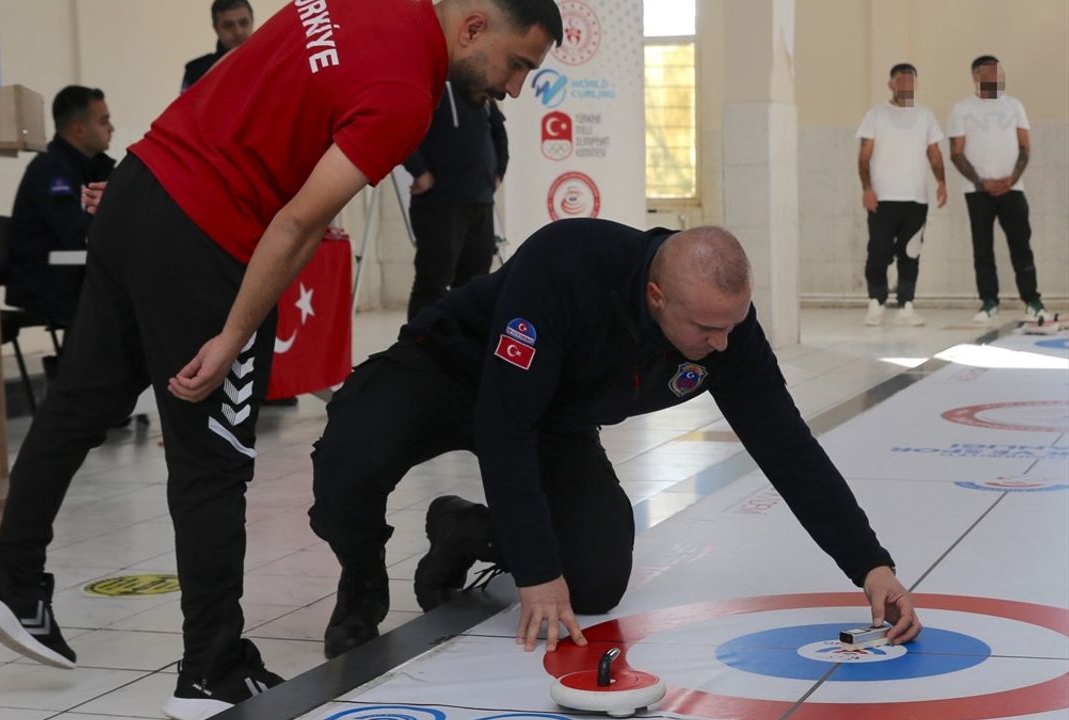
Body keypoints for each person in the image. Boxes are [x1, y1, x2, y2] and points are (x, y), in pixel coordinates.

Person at [0, 2, 562, 719]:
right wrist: (236, 331)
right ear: (473, 28)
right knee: (212, 461)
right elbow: (299, 219)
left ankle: (11, 572)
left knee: (79, 402)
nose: (515, 89)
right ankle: (211, 669)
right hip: (207, 234)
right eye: (517, 65)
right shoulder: (405, 97)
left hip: (139, 191)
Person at [310, 221, 923, 660]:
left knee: (596, 580)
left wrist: (869, 563)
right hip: (448, 371)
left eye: (734, 326)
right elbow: (504, 427)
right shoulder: (568, 264)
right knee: (350, 458)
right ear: (657, 297)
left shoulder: (725, 330)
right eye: (708, 328)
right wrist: (535, 571)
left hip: (553, 412)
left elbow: (787, 446)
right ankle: (362, 583)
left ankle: (466, 529)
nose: (724, 346)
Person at [947, 55, 1047, 325]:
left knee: (1021, 245)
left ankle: (1033, 301)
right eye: (989, 72)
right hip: (977, 191)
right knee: (983, 247)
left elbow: (1025, 147)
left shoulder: (1014, 105)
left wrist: (1012, 179)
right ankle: (989, 301)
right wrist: (981, 182)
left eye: (998, 71)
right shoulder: (962, 109)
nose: (996, 76)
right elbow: (956, 153)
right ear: (976, 76)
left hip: (1013, 189)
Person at [4, 85, 115, 327]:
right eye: (104, 121)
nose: (111, 128)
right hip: (47, 282)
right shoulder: (53, 171)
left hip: (69, 277)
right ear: (79, 128)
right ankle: (78, 366)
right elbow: (77, 233)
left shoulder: (88, 168)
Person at [403, 83, 508, 321]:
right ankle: (417, 350)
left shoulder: (479, 87)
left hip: (481, 201)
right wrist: (419, 171)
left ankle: (462, 347)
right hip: (439, 203)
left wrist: (499, 170)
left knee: (475, 283)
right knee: (433, 282)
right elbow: (400, 129)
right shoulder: (428, 86)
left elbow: (498, 131)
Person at [856, 63, 946, 327]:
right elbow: (864, 157)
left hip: (916, 199)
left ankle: (907, 304)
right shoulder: (876, 115)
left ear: (916, 85)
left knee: (911, 253)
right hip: (882, 199)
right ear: (891, 84)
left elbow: (935, 153)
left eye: (911, 81)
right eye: (901, 80)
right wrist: (867, 189)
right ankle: (876, 302)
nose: (906, 85)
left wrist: (942, 182)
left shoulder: (926, 116)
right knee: (879, 251)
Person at [181, 0, 255, 93]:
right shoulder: (197, 72)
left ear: (252, 21)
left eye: (243, 23)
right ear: (216, 28)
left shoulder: (269, 62)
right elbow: (186, 107)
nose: (238, 31)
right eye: (228, 25)